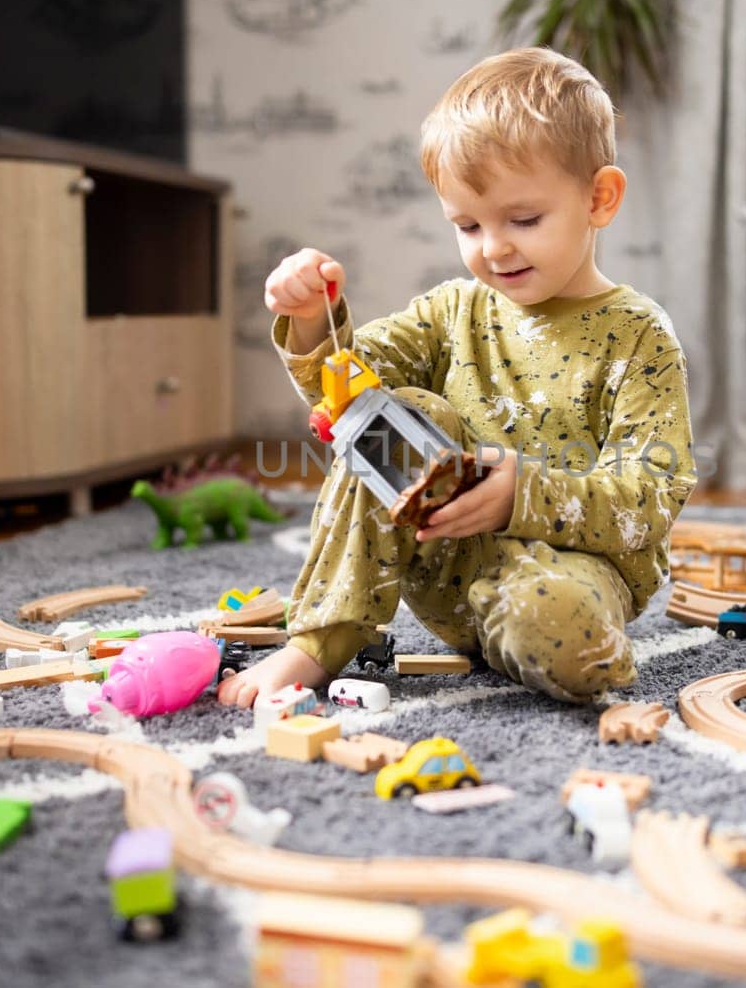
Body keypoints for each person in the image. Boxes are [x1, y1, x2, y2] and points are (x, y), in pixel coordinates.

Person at [216, 47, 696, 708]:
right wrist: (311, 320)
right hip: (441, 563)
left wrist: (518, 495)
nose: (492, 247)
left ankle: (522, 641)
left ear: (598, 197)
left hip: (565, 575)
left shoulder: (640, 335)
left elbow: (651, 497)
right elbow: (353, 404)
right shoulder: (452, 310)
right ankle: (320, 641)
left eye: (522, 220)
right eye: (467, 225)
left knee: (567, 635)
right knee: (397, 412)